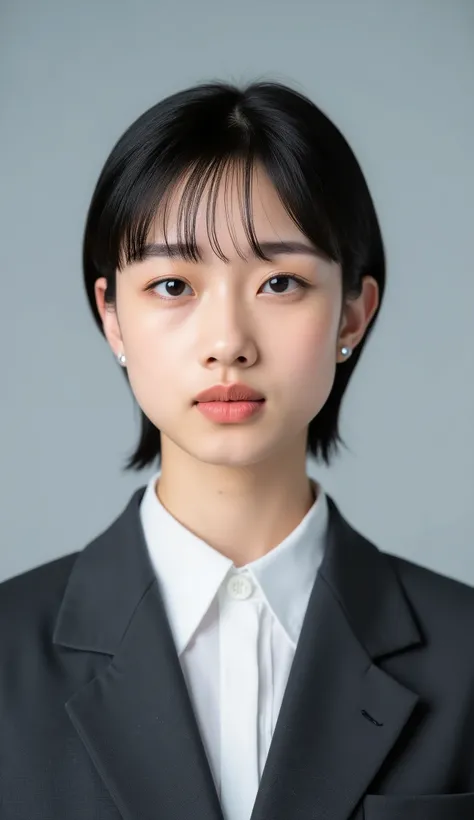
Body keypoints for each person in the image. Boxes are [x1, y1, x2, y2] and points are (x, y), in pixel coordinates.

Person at [1, 79, 474, 820]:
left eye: (280, 282)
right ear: (112, 316)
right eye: (172, 285)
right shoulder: (7, 650)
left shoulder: (465, 652)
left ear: (353, 314)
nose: (228, 342)